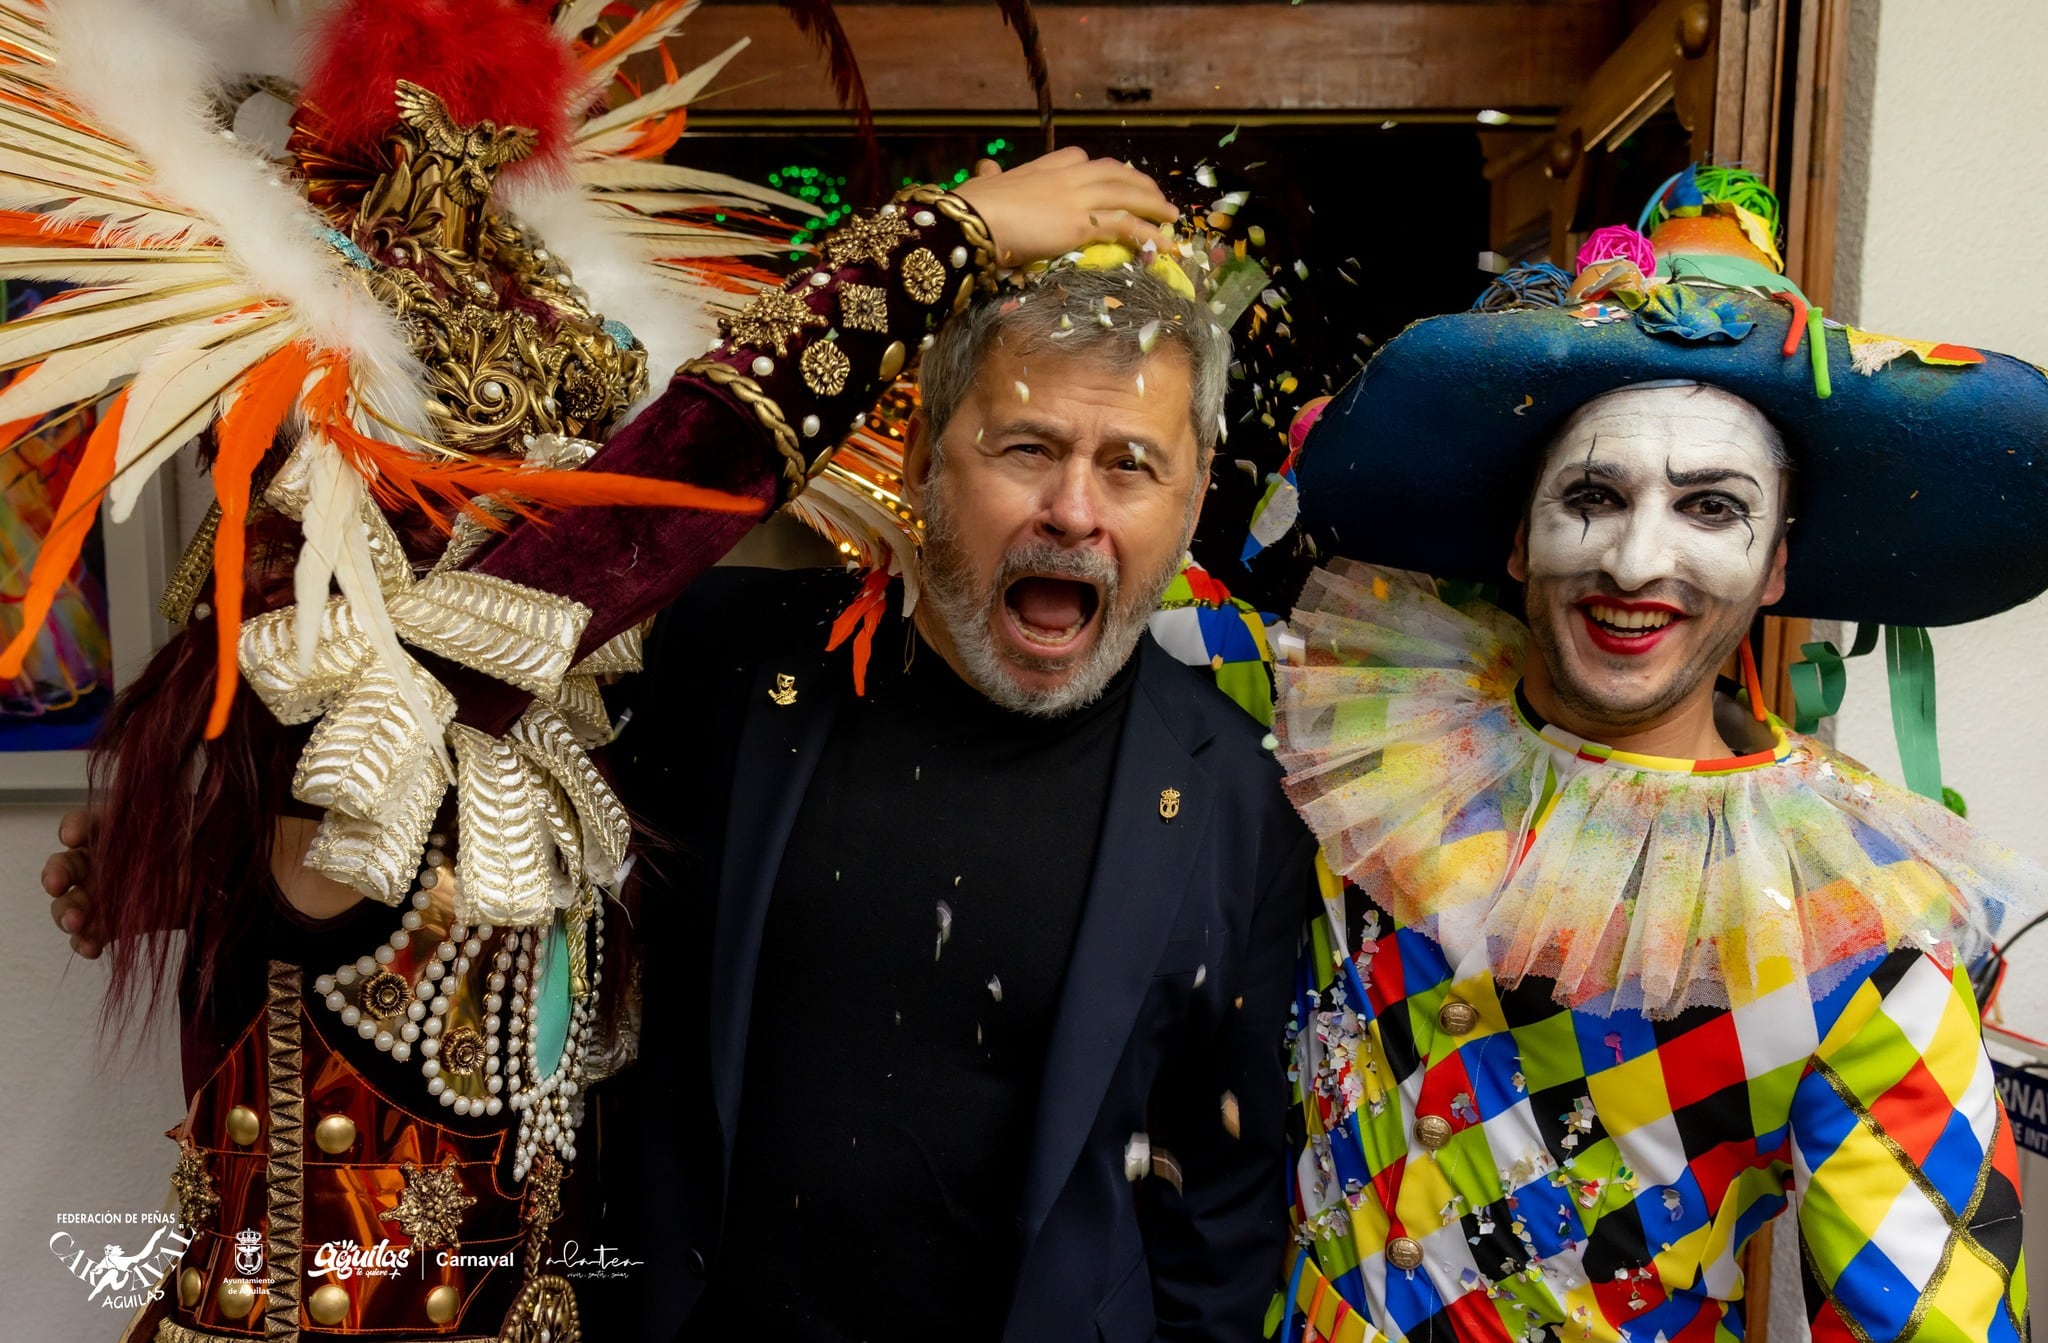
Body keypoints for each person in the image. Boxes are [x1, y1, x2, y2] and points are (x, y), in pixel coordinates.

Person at [17, 2, 1188, 1339]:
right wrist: (931, 243)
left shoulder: (529, 743)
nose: (556, 522)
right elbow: (625, 525)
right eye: (494, 484)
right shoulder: (374, 697)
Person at [1269, 167, 2048, 1342]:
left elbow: (1934, 1320)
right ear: (1517, 539)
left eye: (1709, 508)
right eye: (1591, 494)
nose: (1637, 564)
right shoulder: (1361, 734)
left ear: (1776, 566)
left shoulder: (1862, 927)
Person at [591, 261, 1314, 1340]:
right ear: (926, 455)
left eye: (1130, 465)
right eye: (1025, 448)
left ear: (1194, 497)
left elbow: (1223, 1191)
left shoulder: (1235, 795)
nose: (1071, 510)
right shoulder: (730, 656)